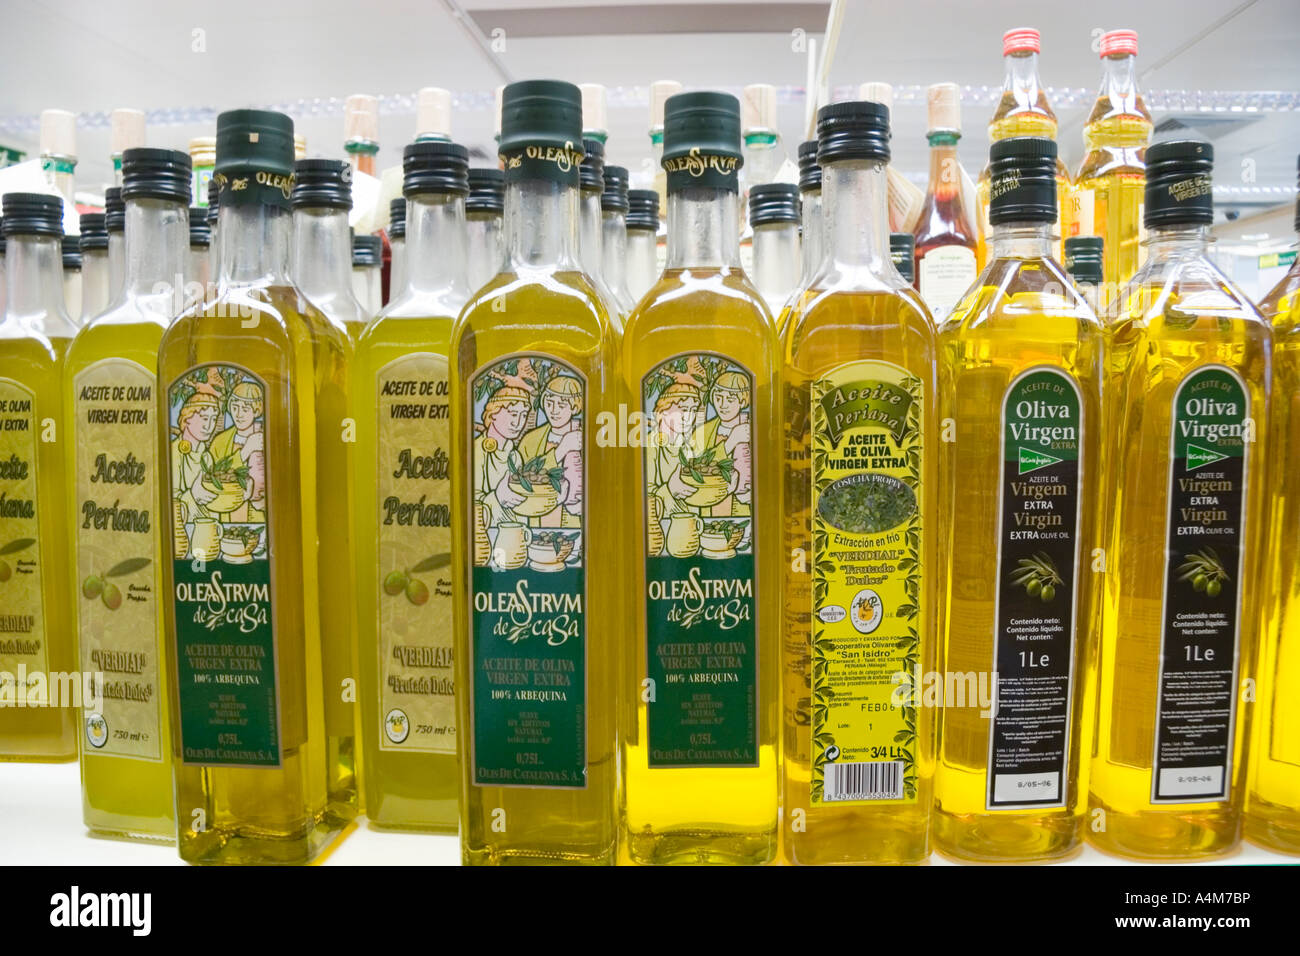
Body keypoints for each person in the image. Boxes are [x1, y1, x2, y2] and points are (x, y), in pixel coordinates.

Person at [517, 375, 583, 528]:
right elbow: (522, 480)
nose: (554, 411)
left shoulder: (588, 436)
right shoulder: (531, 439)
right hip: (535, 524)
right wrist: (561, 449)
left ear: (574, 407)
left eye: (561, 405)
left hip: (576, 524)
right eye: (549, 403)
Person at [208, 381, 266, 523]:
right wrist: (246, 451)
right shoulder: (220, 441)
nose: (239, 414)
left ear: (256, 411)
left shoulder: (266, 436)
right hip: (226, 516)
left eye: (245, 409)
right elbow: (213, 477)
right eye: (235, 408)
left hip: (259, 515)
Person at [171, 393, 221, 522]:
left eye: (213, 419)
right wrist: (192, 495)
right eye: (204, 418)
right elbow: (169, 502)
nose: (209, 426)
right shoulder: (174, 452)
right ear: (187, 418)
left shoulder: (206, 457)